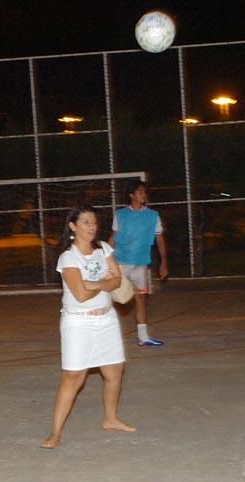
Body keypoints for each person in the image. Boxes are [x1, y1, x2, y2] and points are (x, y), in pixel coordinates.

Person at [41, 205, 136, 449]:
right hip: (78, 322)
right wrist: (104, 282)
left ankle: (110, 419)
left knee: (114, 372)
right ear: (72, 226)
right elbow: (81, 295)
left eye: (93, 221)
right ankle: (55, 433)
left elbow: (117, 280)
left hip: (107, 320)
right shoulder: (68, 257)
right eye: (85, 222)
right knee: (73, 376)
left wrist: (93, 283)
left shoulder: (103, 248)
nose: (92, 226)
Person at [109, 181, 168, 347]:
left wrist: (163, 263)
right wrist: (105, 258)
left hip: (140, 264)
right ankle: (104, 335)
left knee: (140, 299)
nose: (144, 194)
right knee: (110, 299)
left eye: (144, 192)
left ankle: (143, 337)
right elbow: (113, 237)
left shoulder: (153, 215)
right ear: (131, 195)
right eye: (140, 192)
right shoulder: (120, 214)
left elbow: (160, 239)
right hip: (120, 263)